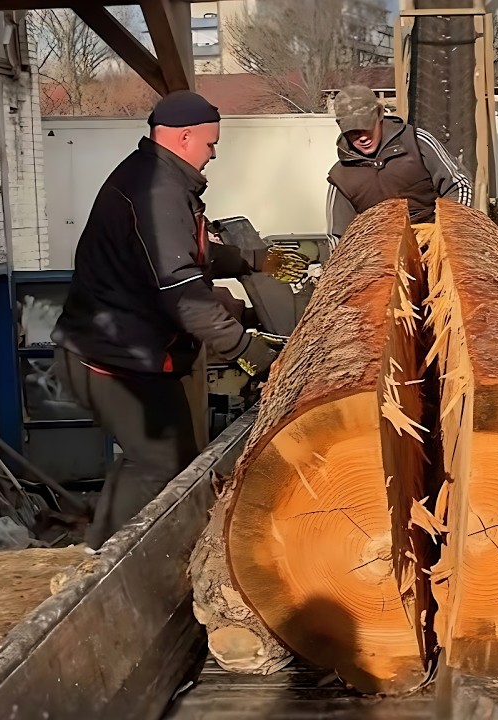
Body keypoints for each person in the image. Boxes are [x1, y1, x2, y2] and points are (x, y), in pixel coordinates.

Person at [51, 90, 278, 549]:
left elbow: (185, 254)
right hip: (112, 358)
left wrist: (251, 260)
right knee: (159, 465)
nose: (213, 154)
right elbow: (182, 292)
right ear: (184, 137)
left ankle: (99, 554)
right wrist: (252, 356)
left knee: (162, 461)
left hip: (127, 352)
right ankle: (109, 573)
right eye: (211, 145)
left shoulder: (161, 180)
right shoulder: (156, 191)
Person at [326, 85, 473, 239]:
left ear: (379, 114)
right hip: (380, 252)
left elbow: (459, 184)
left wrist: (449, 232)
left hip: (436, 240)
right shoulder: (341, 178)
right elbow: (338, 237)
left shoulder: (417, 143)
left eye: (366, 127)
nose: (362, 138)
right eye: (353, 132)